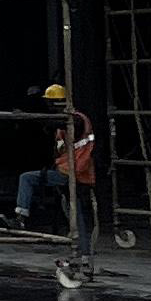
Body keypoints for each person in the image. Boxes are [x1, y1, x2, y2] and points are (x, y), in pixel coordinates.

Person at [17, 86, 97, 252]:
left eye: (50, 103)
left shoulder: (76, 119)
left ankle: (21, 217)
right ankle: (83, 248)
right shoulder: (62, 125)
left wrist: (29, 117)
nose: (49, 107)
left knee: (26, 178)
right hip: (72, 171)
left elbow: (64, 123)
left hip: (73, 171)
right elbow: (60, 148)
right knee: (74, 210)